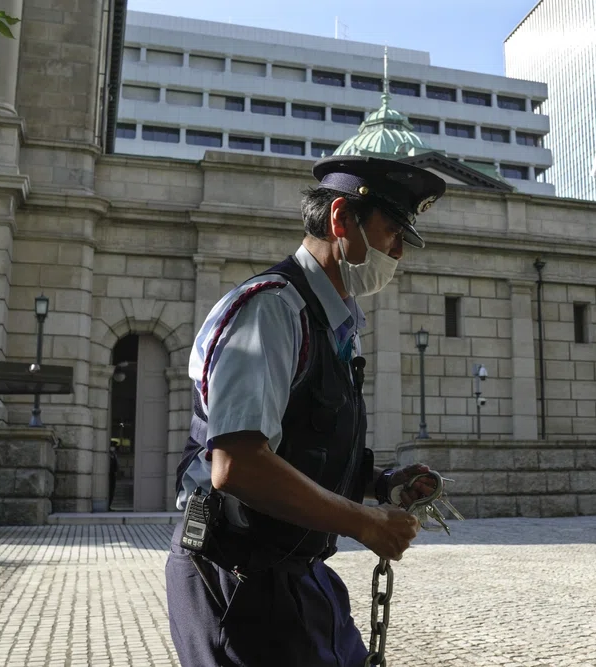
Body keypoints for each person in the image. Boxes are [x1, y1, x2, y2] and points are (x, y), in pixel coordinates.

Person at [165, 155, 447, 667]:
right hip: (237, 573)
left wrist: (382, 484)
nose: (399, 252)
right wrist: (365, 522)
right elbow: (239, 465)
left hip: (300, 570)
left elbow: (304, 449)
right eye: (391, 232)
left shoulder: (336, 324)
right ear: (342, 219)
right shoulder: (272, 310)